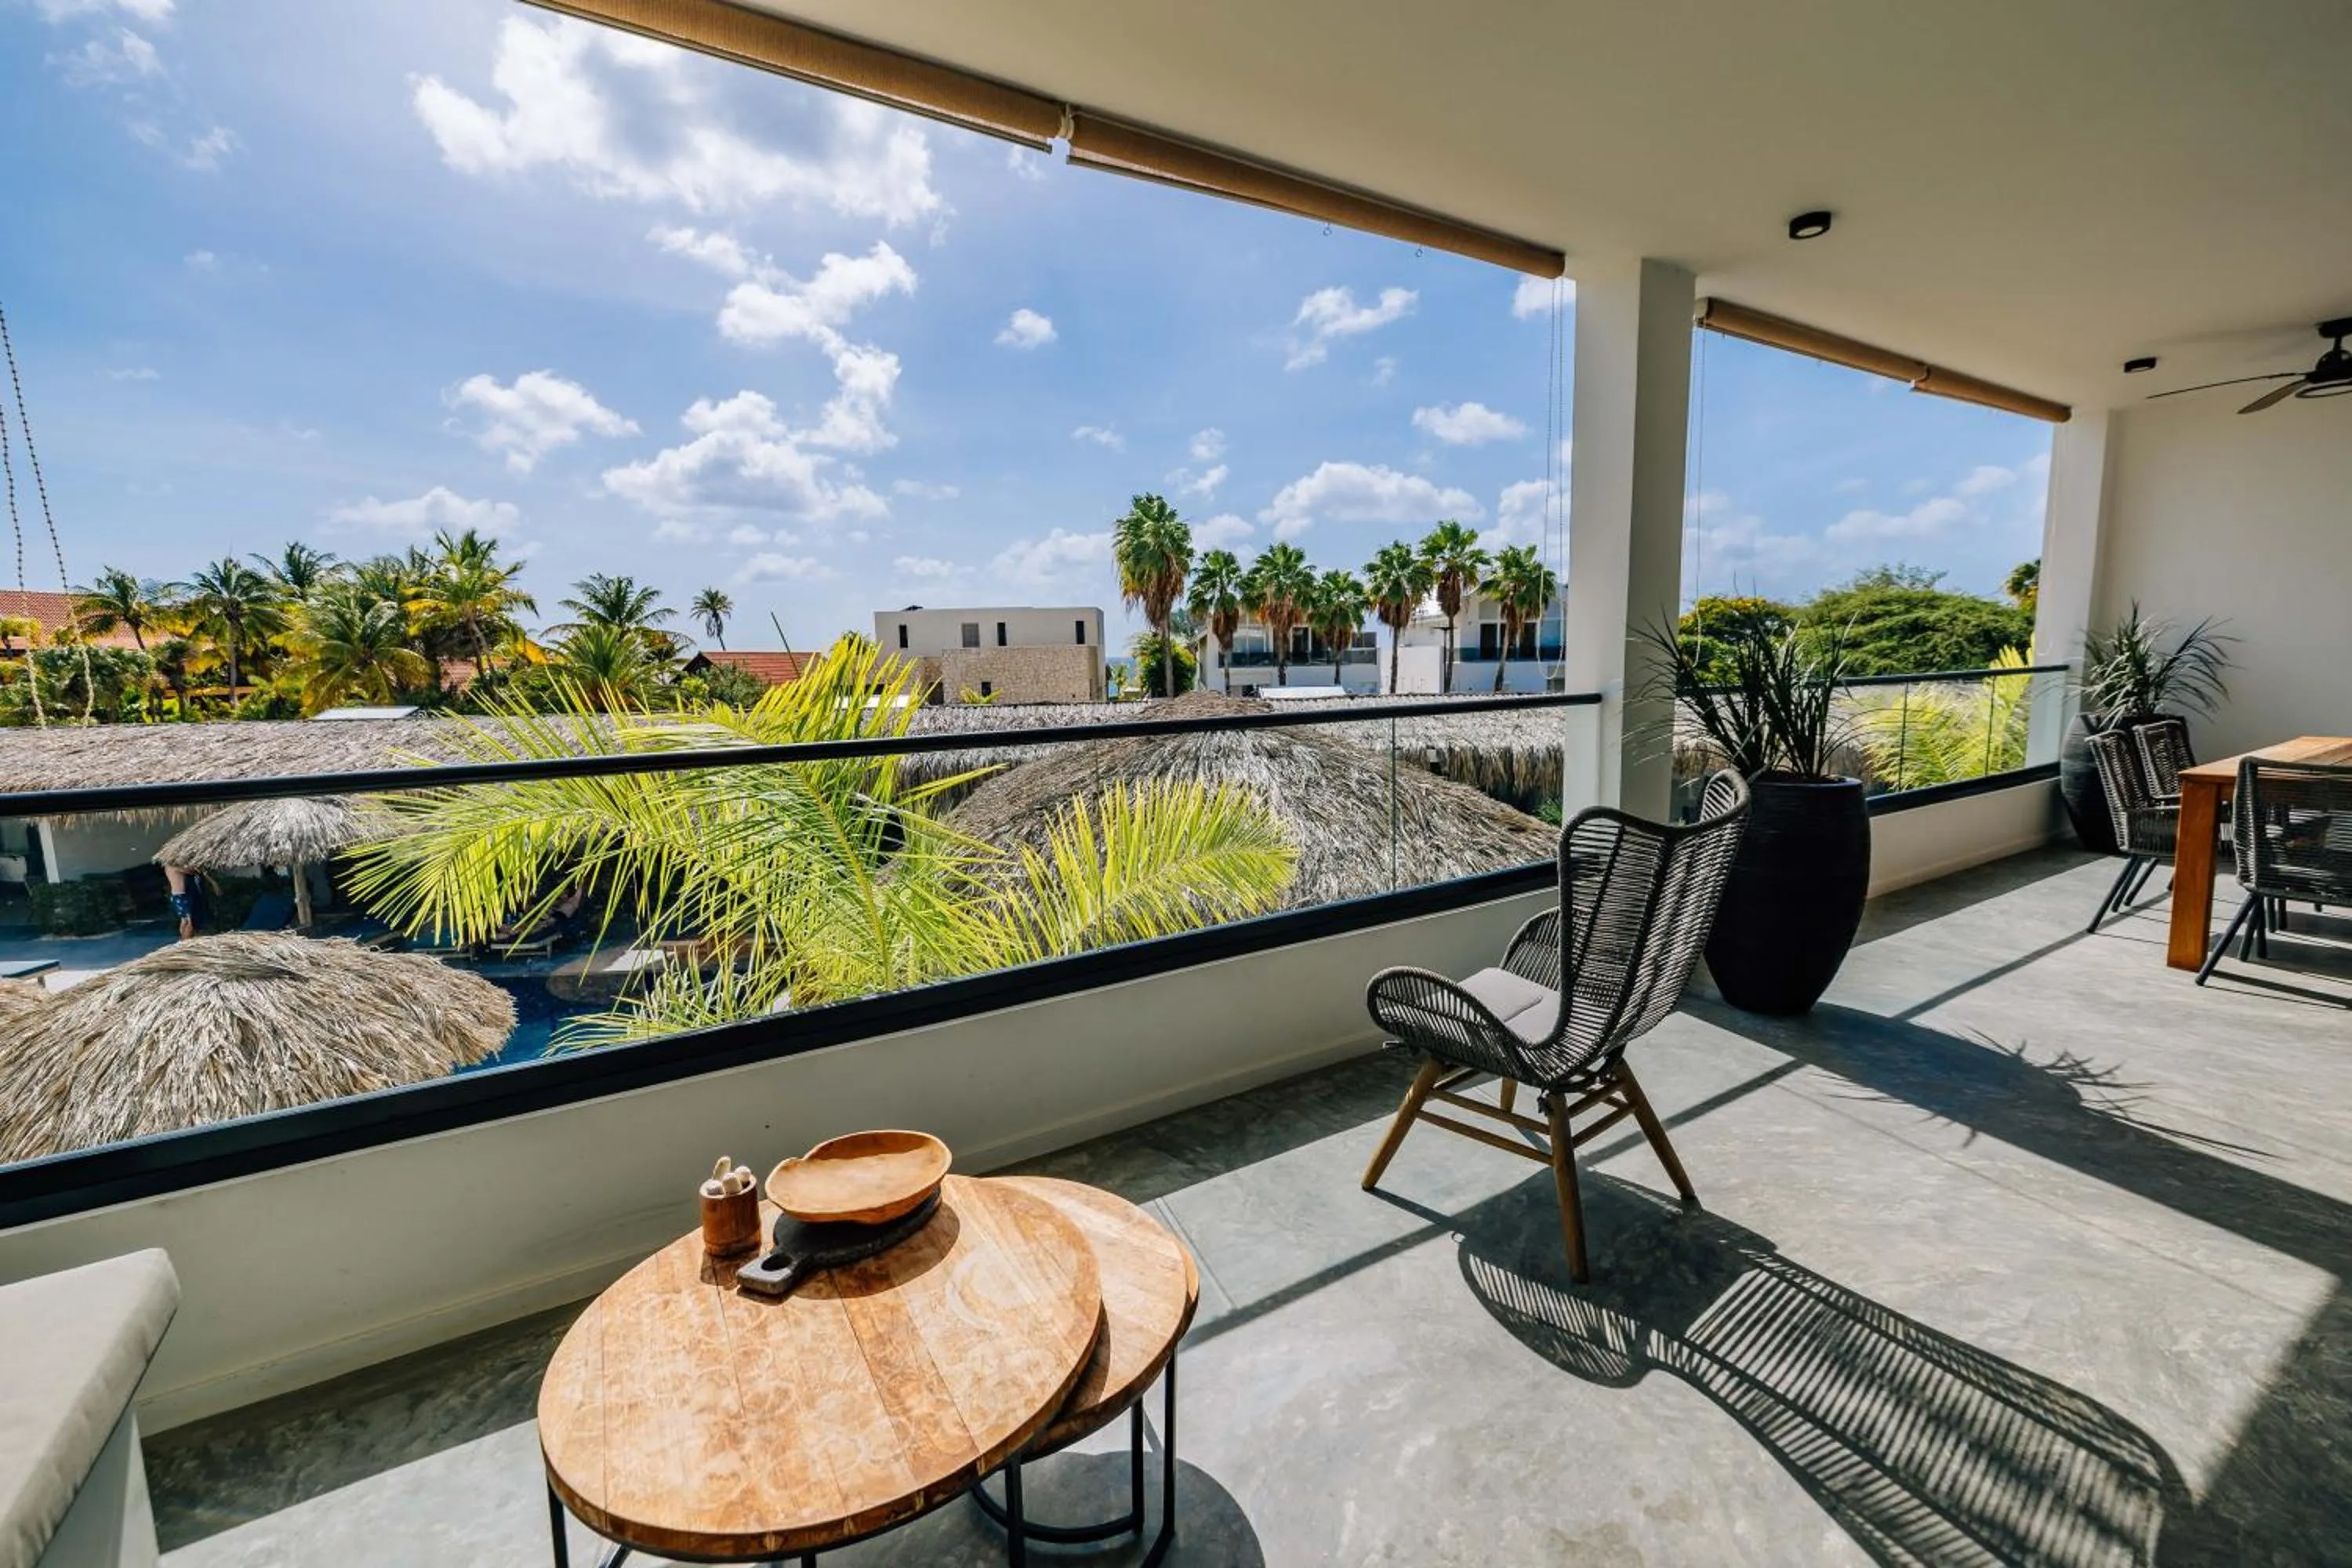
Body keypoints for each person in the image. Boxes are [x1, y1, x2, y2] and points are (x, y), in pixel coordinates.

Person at [162, 863, 199, 940]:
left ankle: (183, 938)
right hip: (180, 896)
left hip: (177, 895)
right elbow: (190, 871)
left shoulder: (167, 867)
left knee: (184, 920)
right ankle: (186, 940)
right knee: (190, 921)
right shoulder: (173, 866)